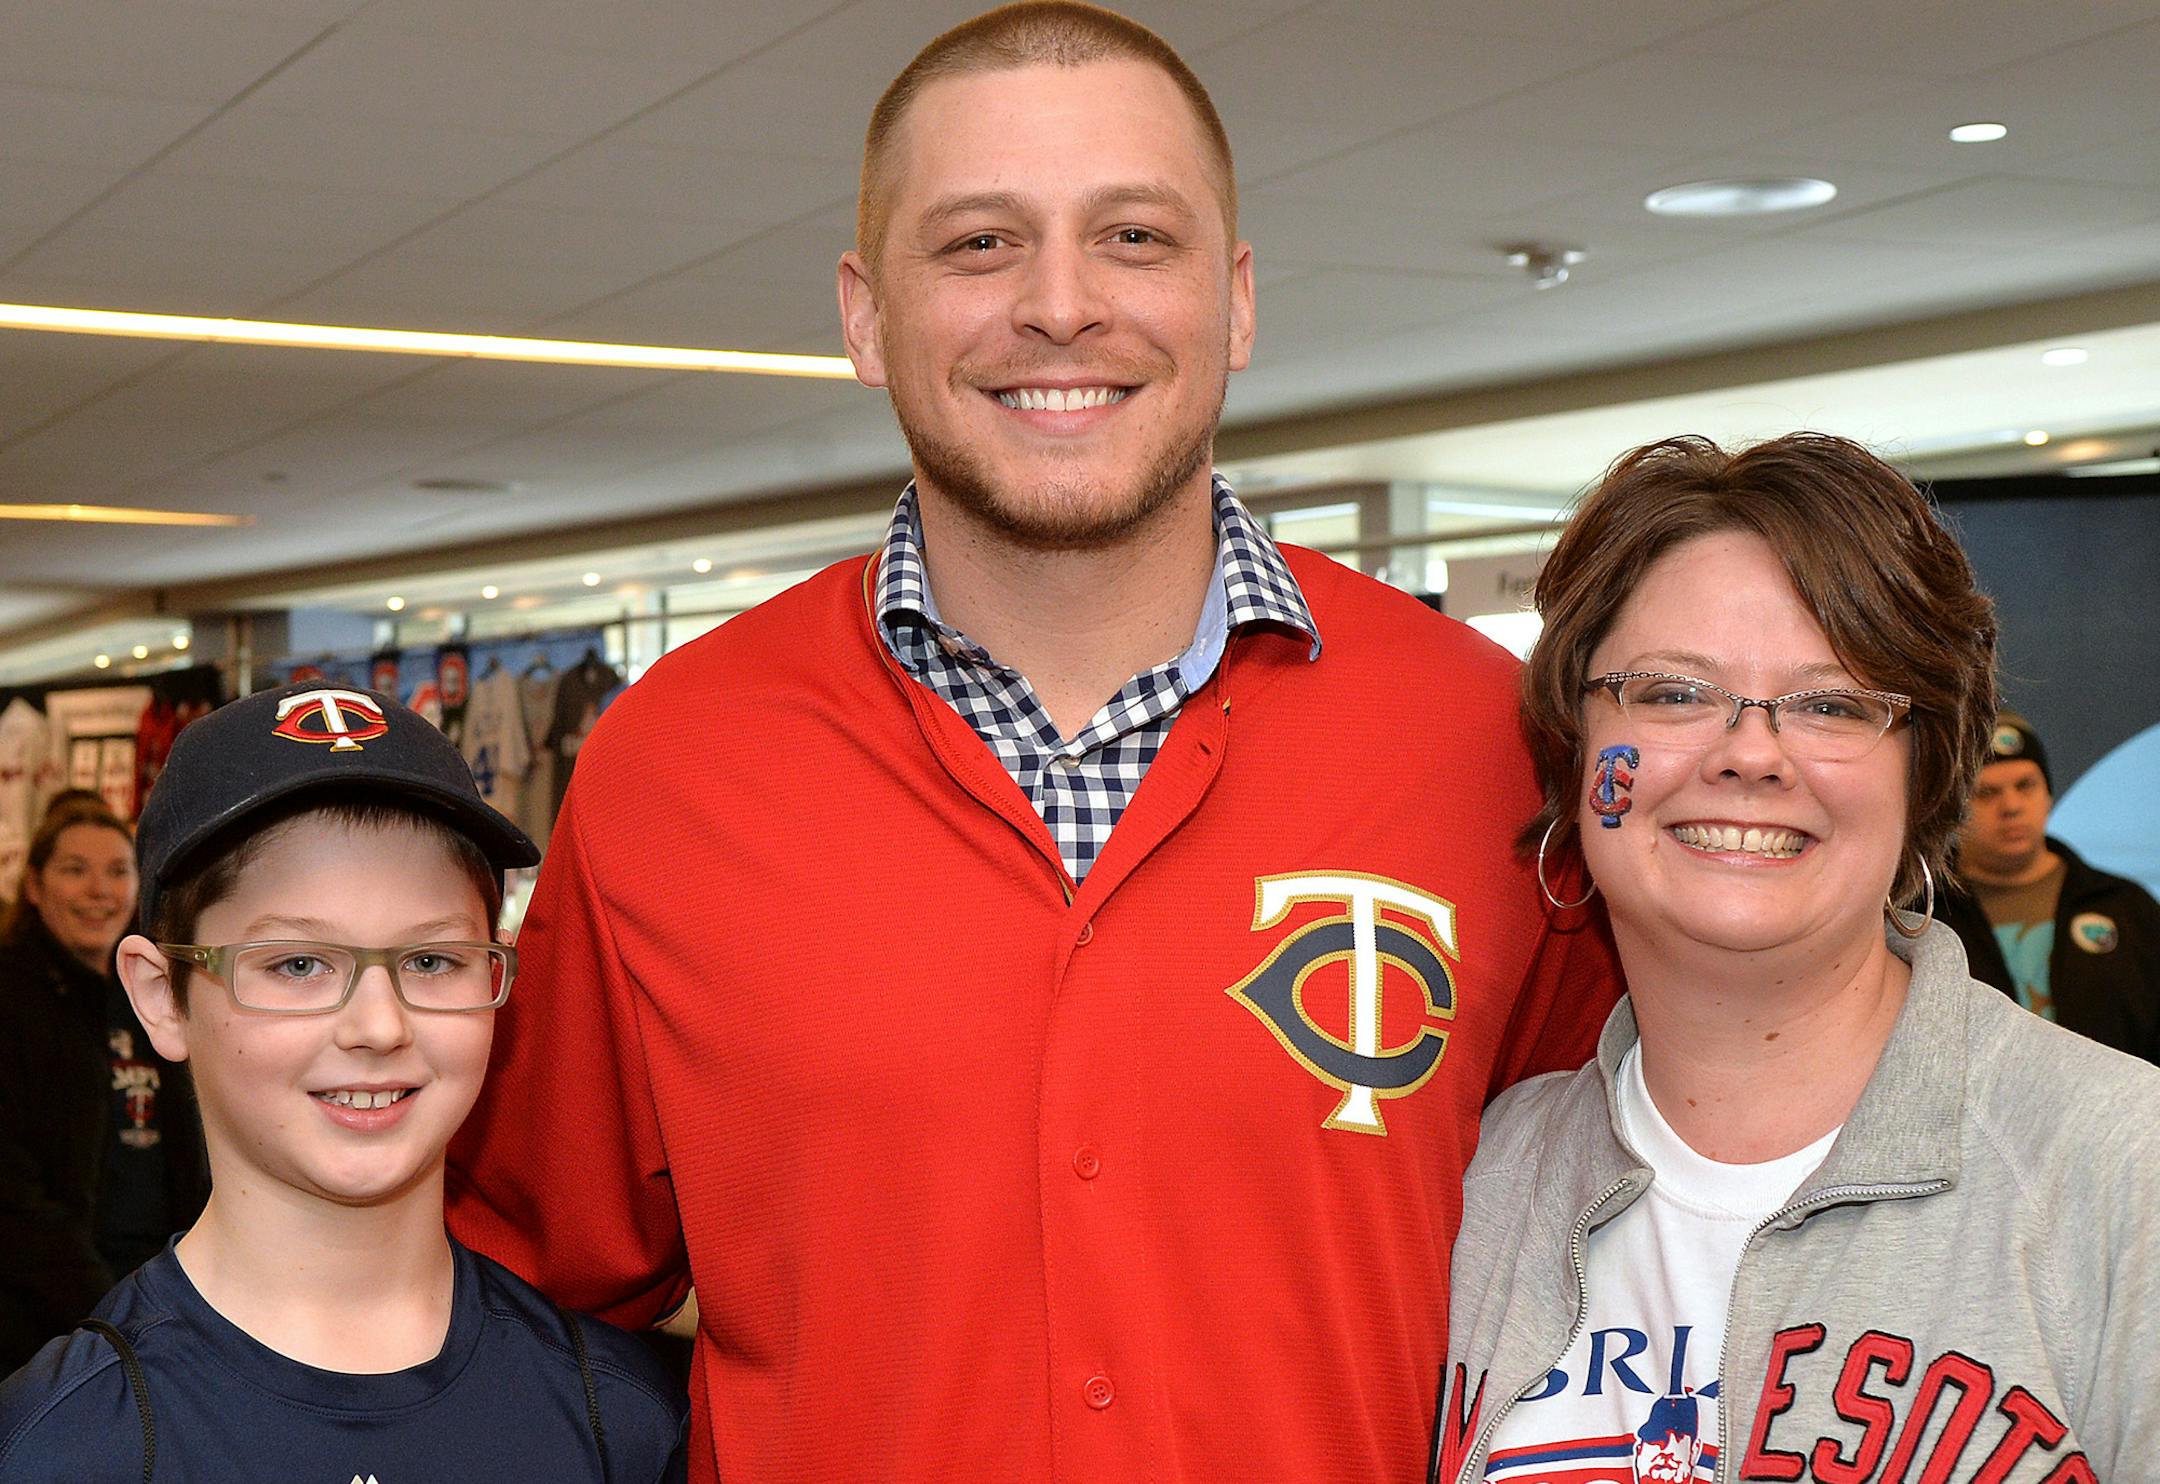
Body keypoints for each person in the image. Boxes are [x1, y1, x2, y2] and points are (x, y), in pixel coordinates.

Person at [446, 5, 1618, 1482]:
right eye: (980, 244)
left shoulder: (1487, 746)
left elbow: (1638, 1249)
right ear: (866, 315)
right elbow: (532, 1292)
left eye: (1135, 236)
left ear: (1238, 301)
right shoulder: (673, 768)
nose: (1061, 306)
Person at [1437, 435, 2159, 1484]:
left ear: (1925, 771)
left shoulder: (2121, 1172)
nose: (1748, 751)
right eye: (1674, 692)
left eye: (1831, 703)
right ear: (1575, 745)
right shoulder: (1480, 1184)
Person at [0, 683, 687, 1482]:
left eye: (432, 961)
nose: (378, 1026)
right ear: (161, 996)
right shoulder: (60, 1445)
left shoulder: (619, 1418)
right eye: (297, 964)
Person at [0, 805, 205, 1371]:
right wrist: (105, 1307)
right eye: (74, 870)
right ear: (35, 886)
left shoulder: (154, 998)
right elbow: (12, 1193)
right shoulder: (13, 998)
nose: (99, 890)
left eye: (118, 871)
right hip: (45, 1325)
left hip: (163, 1299)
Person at [1939, 712, 2160, 1062]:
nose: (2011, 806)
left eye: (2025, 786)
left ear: (2047, 795)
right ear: (1953, 809)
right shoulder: (1920, 915)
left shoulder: (2126, 907)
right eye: (1987, 792)